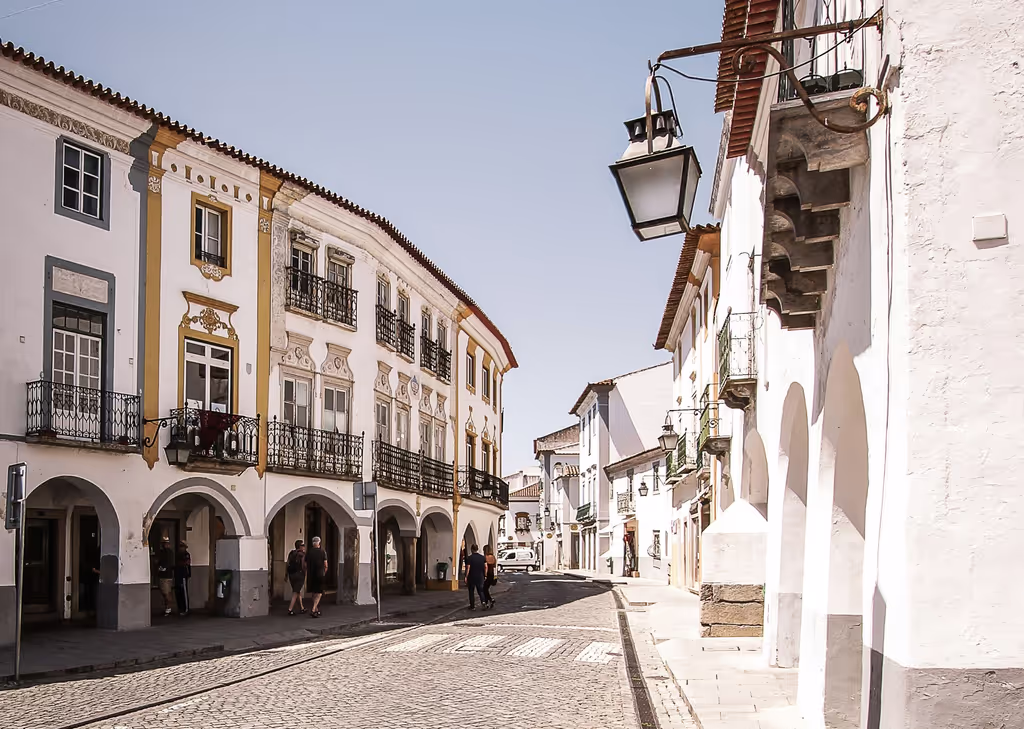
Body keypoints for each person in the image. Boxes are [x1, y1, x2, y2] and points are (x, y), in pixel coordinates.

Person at [305, 536, 328, 618]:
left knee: (314, 592)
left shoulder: (309, 552)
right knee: (319, 593)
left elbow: (305, 564)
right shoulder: (322, 552)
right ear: (319, 543)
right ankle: (313, 609)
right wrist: (324, 572)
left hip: (311, 574)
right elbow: (326, 565)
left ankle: (316, 609)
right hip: (319, 574)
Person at [155, 535, 175, 616]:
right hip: (166, 575)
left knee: (166, 593)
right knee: (166, 592)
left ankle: (168, 609)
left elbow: (167, 563)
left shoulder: (166, 552)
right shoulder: (168, 552)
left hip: (165, 575)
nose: (165, 545)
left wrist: (162, 567)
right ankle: (168, 608)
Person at [286, 539, 307, 615]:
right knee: (295, 592)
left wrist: (286, 575)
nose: (304, 547)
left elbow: (287, 564)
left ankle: (302, 608)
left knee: (297, 591)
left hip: (291, 575)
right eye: (303, 545)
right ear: (300, 546)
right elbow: (303, 565)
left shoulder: (291, 553)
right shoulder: (302, 554)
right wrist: (305, 573)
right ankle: (290, 609)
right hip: (299, 575)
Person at [464, 544, 487, 610]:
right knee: (481, 591)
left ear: (471, 549)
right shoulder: (482, 557)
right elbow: (486, 566)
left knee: (471, 591)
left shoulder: (470, 558)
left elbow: (468, 568)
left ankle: (472, 606)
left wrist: (466, 576)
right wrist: (485, 575)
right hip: (480, 576)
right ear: (477, 549)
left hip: (472, 577)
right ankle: (483, 602)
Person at [174, 540, 192, 615]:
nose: (181, 548)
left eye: (182, 546)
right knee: (178, 592)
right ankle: (180, 608)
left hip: (183, 574)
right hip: (178, 574)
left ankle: (186, 609)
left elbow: (187, 563)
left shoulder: (186, 554)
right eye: (180, 546)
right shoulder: (178, 554)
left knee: (184, 592)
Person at [482, 544, 497, 610]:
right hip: (492, 574)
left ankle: (489, 600)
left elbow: (485, 567)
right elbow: (494, 566)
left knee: (484, 589)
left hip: (487, 574)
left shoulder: (485, 557)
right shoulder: (493, 557)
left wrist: (485, 575)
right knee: (486, 589)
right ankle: (488, 602)